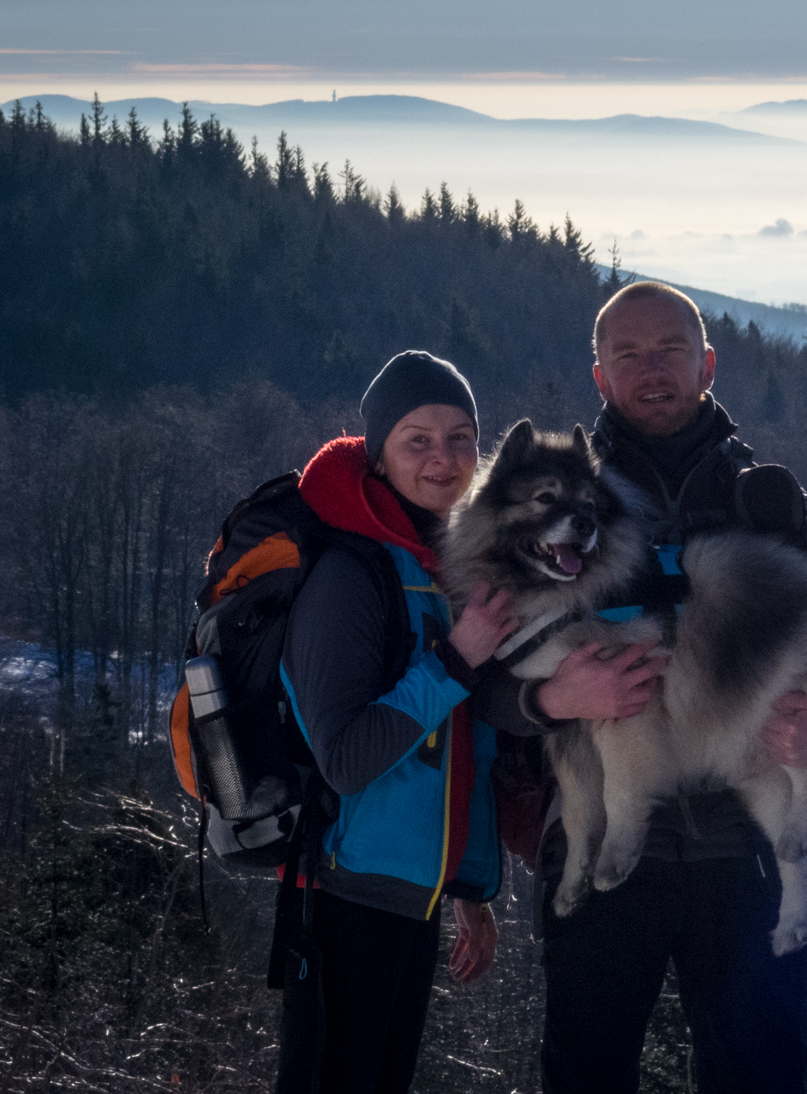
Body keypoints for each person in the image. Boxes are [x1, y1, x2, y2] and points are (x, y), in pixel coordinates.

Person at [477, 281, 807, 1094]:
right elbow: (477, 681)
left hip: (744, 849)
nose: (651, 370)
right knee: (586, 1077)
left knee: (759, 1078)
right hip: (607, 840)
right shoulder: (550, 501)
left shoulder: (772, 502)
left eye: (669, 351)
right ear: (600, 377)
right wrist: (550, 701)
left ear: (707, 363)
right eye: (628, 355)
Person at [275, 350, 519, 1094]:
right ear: (378, 454)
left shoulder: (440, 565)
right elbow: (345, 760)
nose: (443, 458)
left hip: (410, 899)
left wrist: (467, 888)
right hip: (342, 900)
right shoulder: (351, 572)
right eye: (418, 439)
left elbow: (454, 751)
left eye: (461, 437)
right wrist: (459, 657)